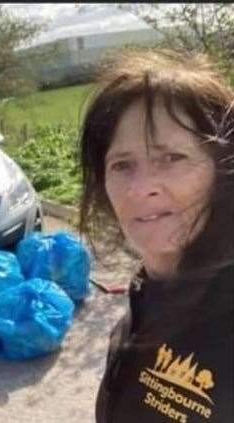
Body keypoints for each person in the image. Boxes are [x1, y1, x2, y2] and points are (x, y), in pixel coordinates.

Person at [78, 48, 234, 422]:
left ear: (223, 171)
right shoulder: (146, 296)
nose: (141, 188)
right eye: (122, 165)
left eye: (171, 158)